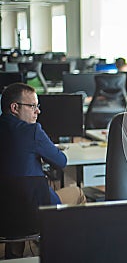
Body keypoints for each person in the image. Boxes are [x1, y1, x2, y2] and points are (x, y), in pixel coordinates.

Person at [0, 83, 86, 258]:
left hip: (5, 216)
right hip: (33, 215)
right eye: (32, 106)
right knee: (77, 192)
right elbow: (61, 161)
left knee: (17, 202)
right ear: (15, 108)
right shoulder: (32, 131)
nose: (37, 111)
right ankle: (69, 252)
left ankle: (14, 255)